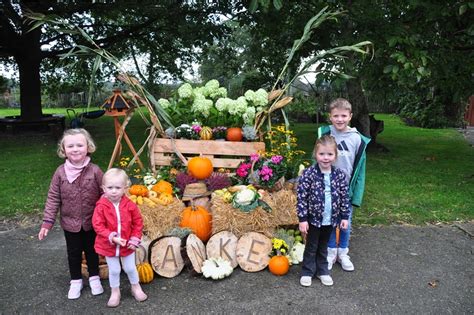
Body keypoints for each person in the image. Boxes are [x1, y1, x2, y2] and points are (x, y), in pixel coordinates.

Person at [38, 128, 104, 299]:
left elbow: (105, 194)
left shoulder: (95, 171)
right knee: (73, 252)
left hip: (92, 222)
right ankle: (75, 281)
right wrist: (47, 222)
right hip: (70, 223)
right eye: (71, 146)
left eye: (80, 145)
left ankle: (94, 277)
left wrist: (106, 216)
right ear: (63, 150)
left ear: (88, 147)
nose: (75, 149)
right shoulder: (60, 173)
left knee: (92, 251)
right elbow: (53, 197)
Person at [318, 98, 370, 272]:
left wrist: (357, 194)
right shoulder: (325, 134)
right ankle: (331, 251)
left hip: (345, 189)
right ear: (330, 117)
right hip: (327, 187)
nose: (339, 119)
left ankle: (343, 253)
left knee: (345, 222)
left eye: (343, 116)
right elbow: (316, 158)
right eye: (336, 116)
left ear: (350, 116)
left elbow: (360, 170)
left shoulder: (357, 139)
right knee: (330, 221)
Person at [297, 135, 350, 287]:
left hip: (331, 219)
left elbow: (344, 197)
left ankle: (322, 271)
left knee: (324, 246)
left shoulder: (339, 175)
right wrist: (303, 219)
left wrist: (344, 217)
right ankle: (307, 271)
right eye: (321, 154)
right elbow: (302, 198)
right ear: (315, 154)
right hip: (313, 219)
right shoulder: (309, 174)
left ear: (335, 155)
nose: (325, 158)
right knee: (312, 245)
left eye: (329, 154)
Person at [92, 168, 147, 308]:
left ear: (125, 188)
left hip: (127, 244)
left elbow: (137, 222)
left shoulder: (130, 205)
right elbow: (97, 225)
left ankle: (136, 287)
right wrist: (111, 236)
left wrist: (134, 239)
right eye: (110, 187)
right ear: (103, 188)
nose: (114, 191)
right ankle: (115, 291)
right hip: (109, 245)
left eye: (118, 187)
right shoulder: (101, 206)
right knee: (115, 270)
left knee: (130, 268)